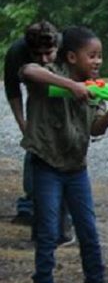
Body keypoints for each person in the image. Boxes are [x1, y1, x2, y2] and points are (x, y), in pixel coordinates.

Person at [19, 26, 108, 283]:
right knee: (48, 235)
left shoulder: (97, 87)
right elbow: (28, 71)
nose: (97, 61)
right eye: (91, 55)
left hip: (76, 168)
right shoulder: (50, 73)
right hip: (46, 165)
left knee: (90, 234)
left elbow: (96, 129)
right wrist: (70, 86)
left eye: (100, 56)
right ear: (71, 57)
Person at [5, 21, 59, 226]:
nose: (44, 59)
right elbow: (13, 90)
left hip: (62, 100)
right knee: (34, 150)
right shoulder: (16, 53)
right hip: (36, 104)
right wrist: (22, 123)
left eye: (49, 53)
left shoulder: (67, 45)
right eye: (38, 55)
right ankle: (28, 205)